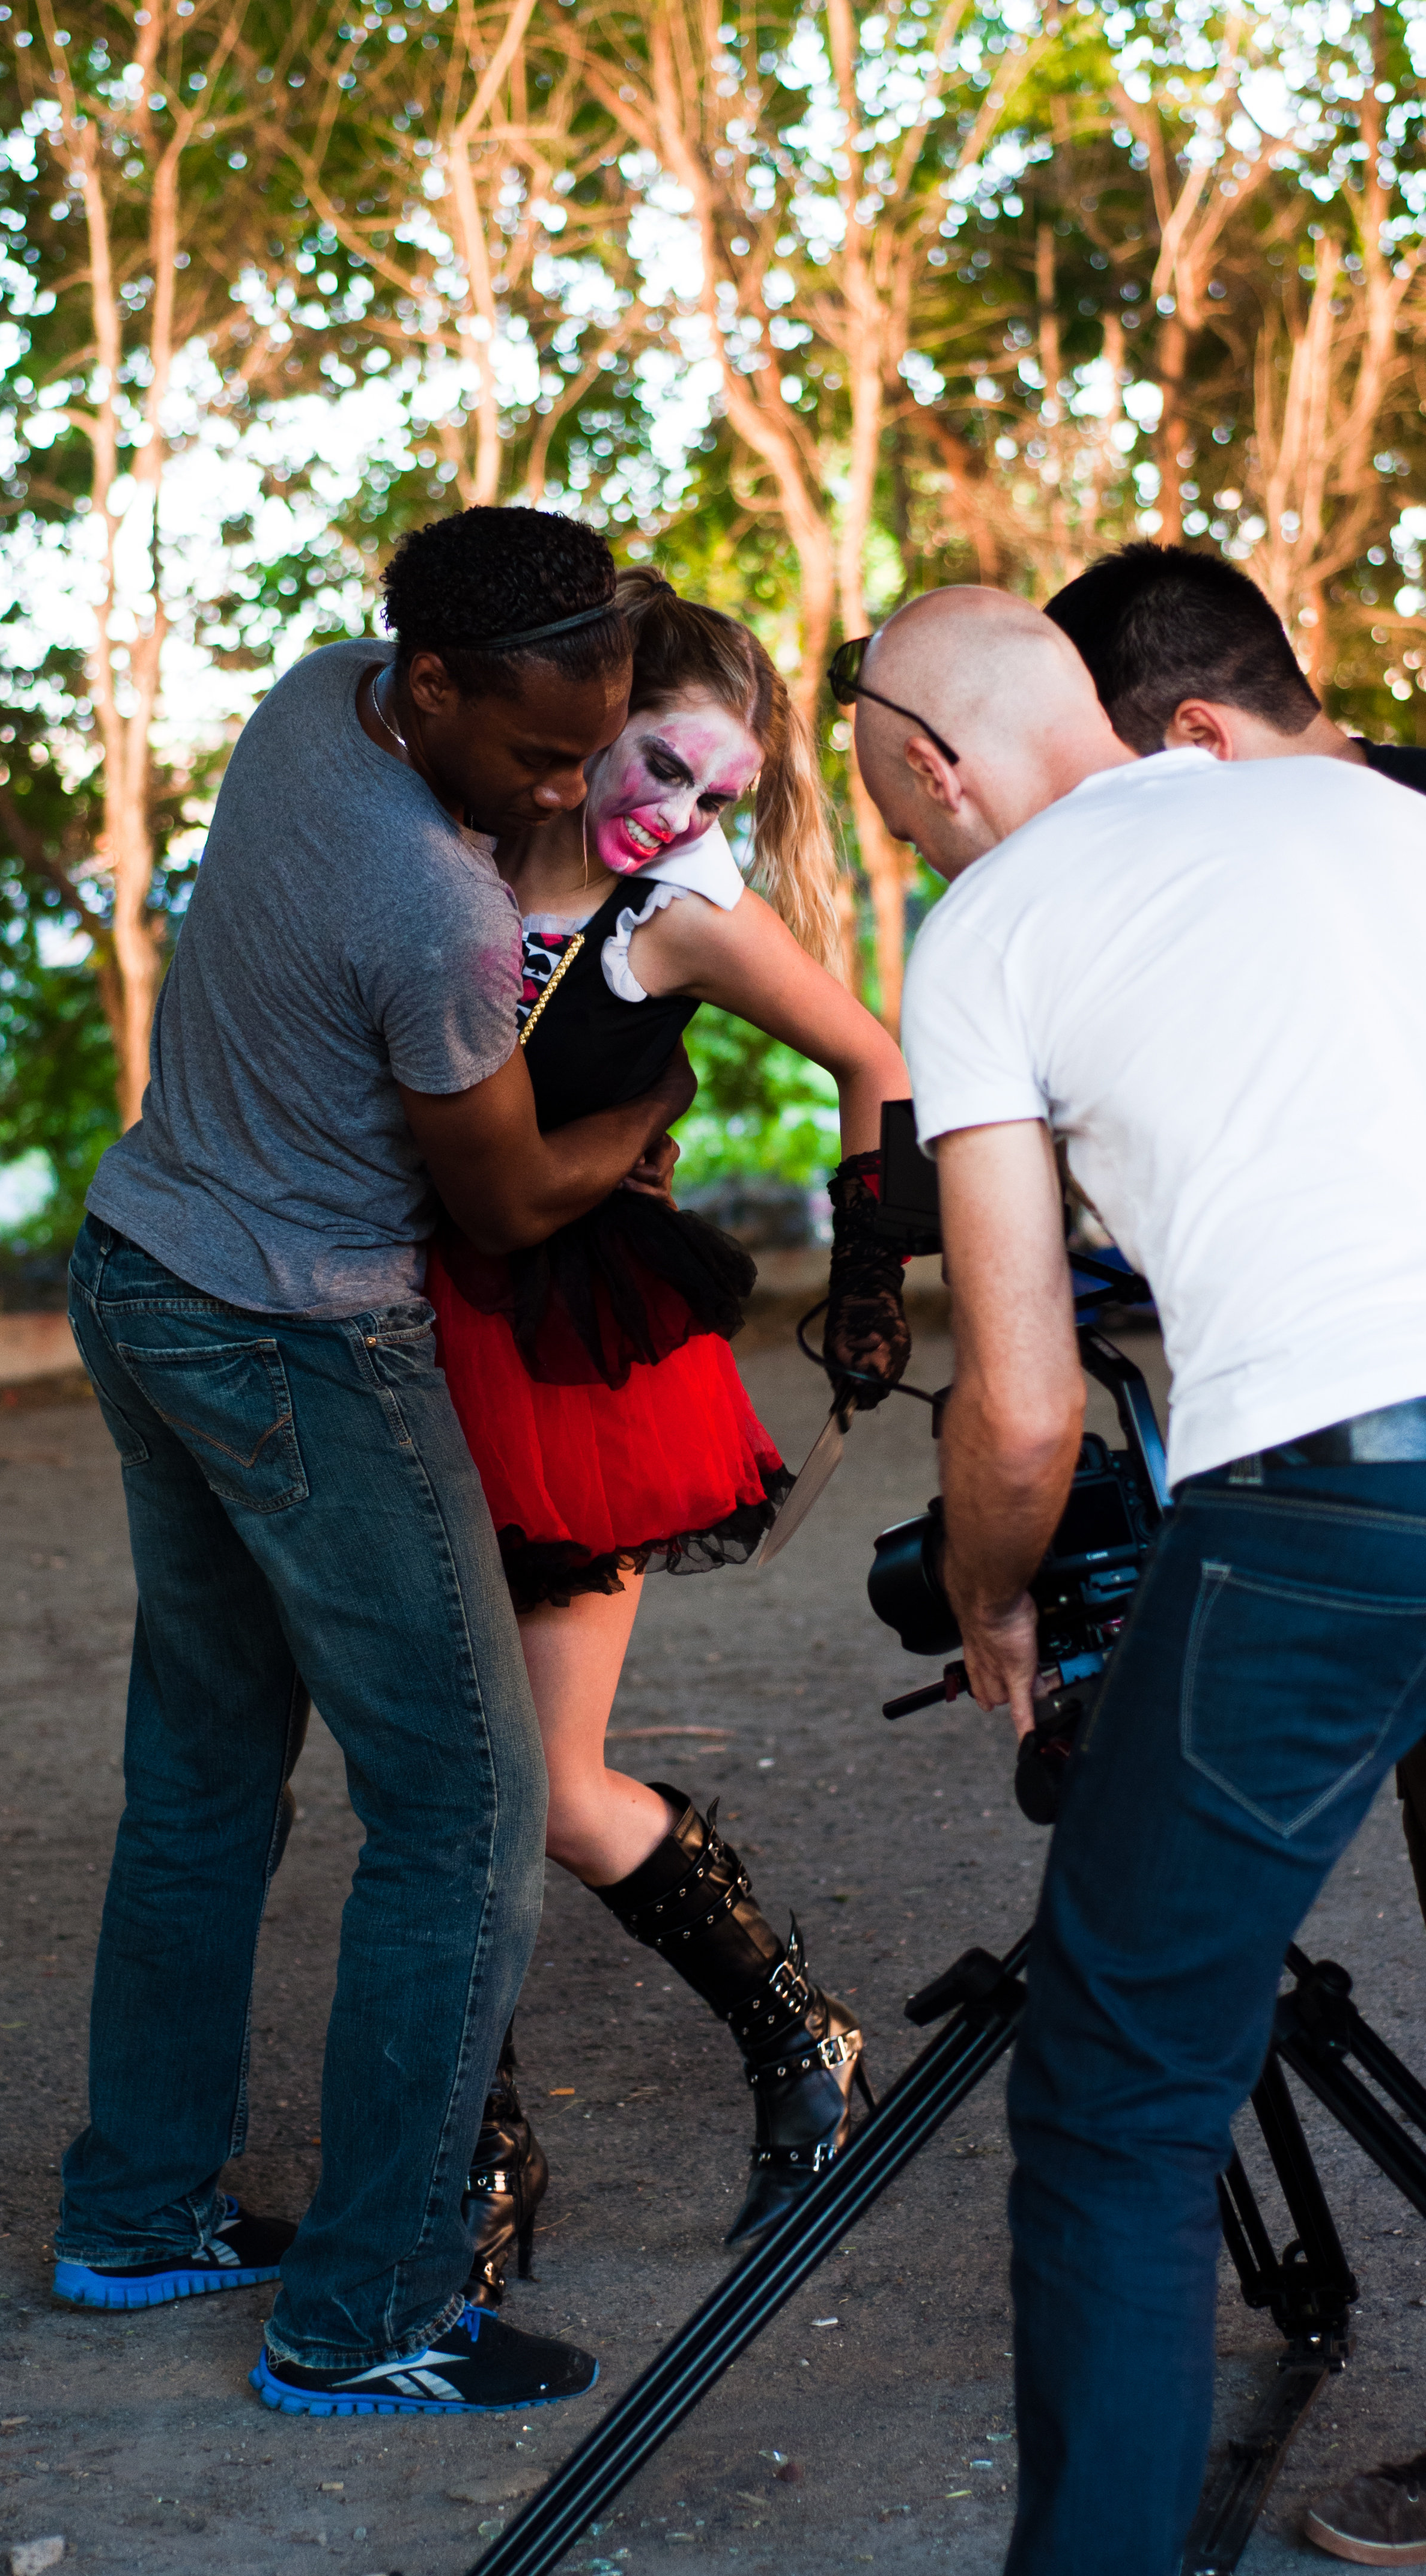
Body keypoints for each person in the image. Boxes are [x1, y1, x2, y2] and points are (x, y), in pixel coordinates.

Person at [840, 583, 1426, 2575]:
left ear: (936, 763)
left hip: (1331, 1512)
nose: (924, 849)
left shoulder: (989, 922)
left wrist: (999, 1603)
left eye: (907, 818)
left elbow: (1020, 1407)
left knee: (1120, 2099)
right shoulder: (1404, 825)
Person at [57, 506, 697, 2421]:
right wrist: (646, 1116)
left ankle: (141, 2213)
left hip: (146, 1267)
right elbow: (500, 1202)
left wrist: (538, 808)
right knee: (470, 1809)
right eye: (535, 756)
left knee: (200, 1768)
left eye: (594, 749)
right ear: (432, 683)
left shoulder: (304, 705)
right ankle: (370, 2319)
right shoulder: (437, 902)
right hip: (298, 1334)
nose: (567, 789)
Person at [441, 571, 912, 2300]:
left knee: (541, 1786)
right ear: (595, 714)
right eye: (660, 764)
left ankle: (803, 2041)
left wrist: (873, 1273)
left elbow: (876, 1056)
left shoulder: (686, 916)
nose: (677, 812)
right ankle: (478, 2150)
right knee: (437, 1781)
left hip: (575, 1369)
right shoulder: (459, 846)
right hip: (398, 1337)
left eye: (717, 794)